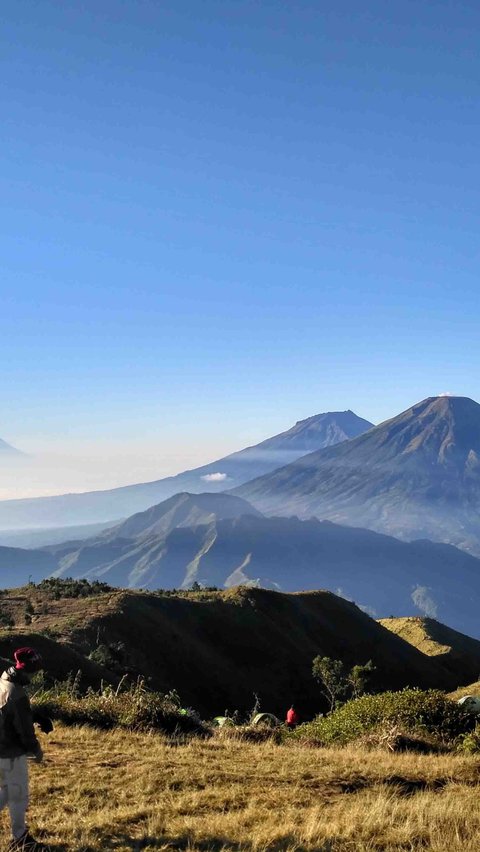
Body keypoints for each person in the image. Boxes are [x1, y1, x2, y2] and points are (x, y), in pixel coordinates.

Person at [0, 647, 47, 851]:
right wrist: (36, 750)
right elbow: (24, 731)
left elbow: (10, 712)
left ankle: (19, 836)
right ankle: (19, 838)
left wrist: (34, 715)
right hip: (10, 751)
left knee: (6, 790)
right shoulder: (17, 694)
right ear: (30, 669)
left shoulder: (4, 680)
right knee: (19, 794)